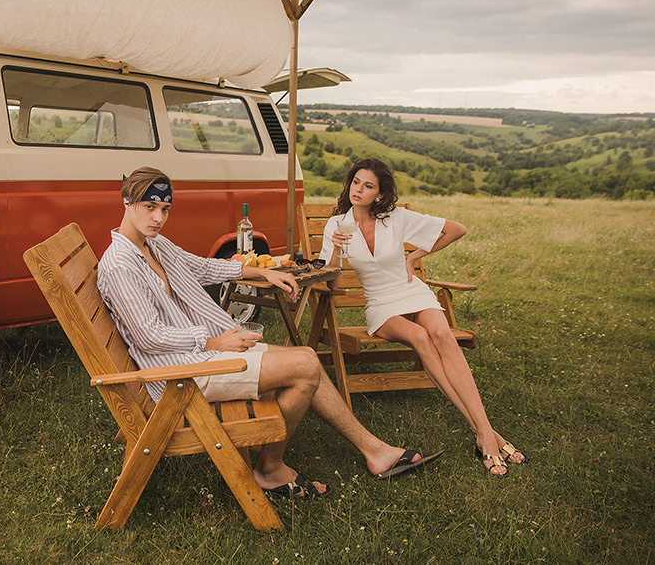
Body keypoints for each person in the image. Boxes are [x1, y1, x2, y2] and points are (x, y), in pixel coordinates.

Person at [96, 166, 442, 499]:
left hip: (200, 358)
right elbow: (147, 337)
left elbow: (202, 266)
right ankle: (270, 468)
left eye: (165, 208)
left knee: (307, 357)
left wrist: (264, 273)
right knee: (305, 368)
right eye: (150, 207)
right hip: (182, 375)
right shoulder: (120, 264)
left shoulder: (153, 245)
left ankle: (376, 451)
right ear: (127, 202)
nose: (158, 217)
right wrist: (214, 342)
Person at [322, 157, 527, 477]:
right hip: (381, 303)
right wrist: (335, 251)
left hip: (412, 291)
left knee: (443, 335)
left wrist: (416, 254)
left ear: (379, 194)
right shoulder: (337, 226)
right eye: (356, 182)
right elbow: (331, 283)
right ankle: (487, 434)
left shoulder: (396, 218)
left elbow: (457, 229)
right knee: (420, 337)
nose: (358, 190)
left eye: (368, 186)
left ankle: (483, 432)